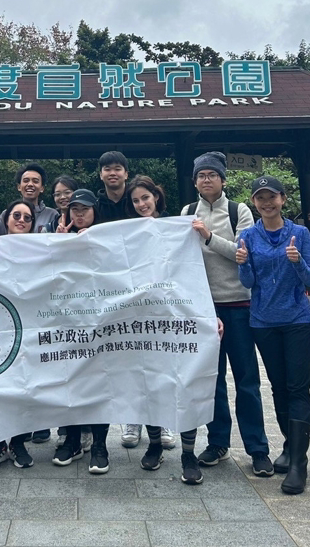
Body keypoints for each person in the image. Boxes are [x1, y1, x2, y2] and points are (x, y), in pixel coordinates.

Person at [181, 153, 273, 479]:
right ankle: (218, 442)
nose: (206, 180)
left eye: (212, 175)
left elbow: (241, 255)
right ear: (194, 182)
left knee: (247, 381)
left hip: (239, 306)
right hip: (205, 310)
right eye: (201, 175)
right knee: (213, 381)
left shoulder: (239, 210)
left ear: (223, 180)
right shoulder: (187, 213)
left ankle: (258, 449)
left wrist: (207, 236)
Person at [236, 175, 310, 495]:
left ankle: (299, 463)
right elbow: (248, 281)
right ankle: (289, 445)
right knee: (278, 387)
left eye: (272, 197)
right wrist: (242, 263)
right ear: (254, 202)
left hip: (296, 319)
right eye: (260, 198)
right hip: (262, 321)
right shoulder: (249, 235)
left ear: (283, 199)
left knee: (298, 387)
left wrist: (296, 262)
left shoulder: (299, 233)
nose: (267, 203)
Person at [52, 189, 112, 474]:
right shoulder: (58, 238)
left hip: (100, 324)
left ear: (94, 211)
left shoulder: (108, 238)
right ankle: (73, 440)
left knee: (99, 384)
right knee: (70, 382)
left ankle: (100, 445)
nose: (79, 213)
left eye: (84, 209)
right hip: (67, 323)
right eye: (74, 208)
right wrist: (59, 243)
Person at [120, 175, 178, 462]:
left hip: (164, 307)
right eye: (136, 200)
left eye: (146, 197)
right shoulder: (127, 231)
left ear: (156, 197)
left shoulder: (174, 227)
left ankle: (164, 419)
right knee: (133, 364)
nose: (142, 204)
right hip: (133, 307)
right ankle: (134, 418)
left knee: (162, 365)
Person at [0, 200, 37, 470]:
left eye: (27, 217)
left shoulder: (41, 248)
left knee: (24, 386)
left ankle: (19, 442)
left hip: (30, 327)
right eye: (17, 215)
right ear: (7, 219)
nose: (22, 220)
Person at [0, 163, 58, 234]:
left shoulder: (52, 215)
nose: (30, 184)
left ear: (42, 188)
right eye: (26, 181)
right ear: (19, 187)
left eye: (35, 181)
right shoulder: (6, 215)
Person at [97, 151, 131, 223]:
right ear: (101, 175)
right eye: (107, 169)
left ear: (126, 174)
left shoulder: (136, 202)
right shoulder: (95, 207)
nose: (112, 173)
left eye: (117, 169)